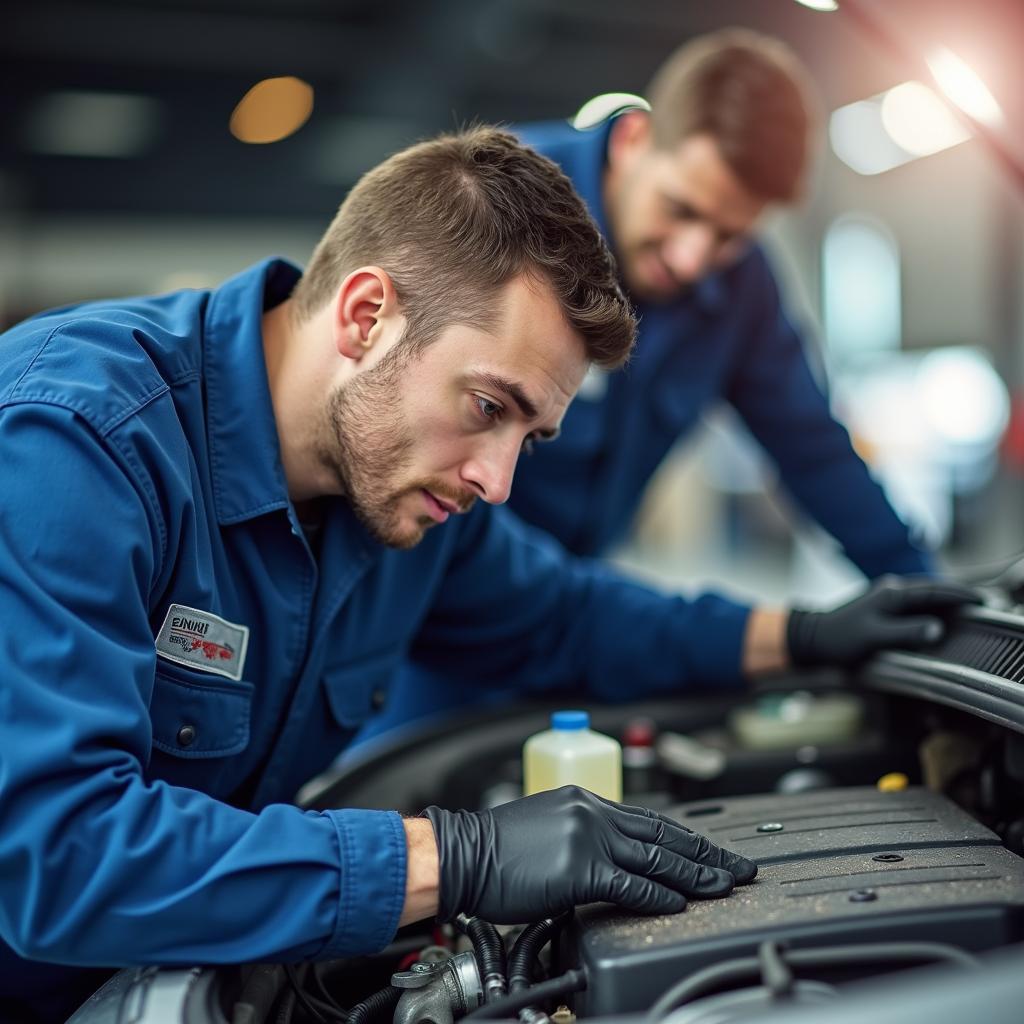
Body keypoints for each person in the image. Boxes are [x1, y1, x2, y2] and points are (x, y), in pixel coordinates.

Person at [0, 126, 973, 1022]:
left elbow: (569, 616)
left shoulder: (396, 491)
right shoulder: (74, 447)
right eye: (485, 405)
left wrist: (803, 635)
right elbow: (56, 856)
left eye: (530, 436)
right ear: (366, 313)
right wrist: (455, 855)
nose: (497, 480)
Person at [355, 27, 939, 743]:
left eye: (728, 235)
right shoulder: (502, 215)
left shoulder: (741, 288)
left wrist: (915, 590)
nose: (695, 257)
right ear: (634, 140)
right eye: (683, 210)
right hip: (430, 617)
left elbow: (812, 446)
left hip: (578, 623)